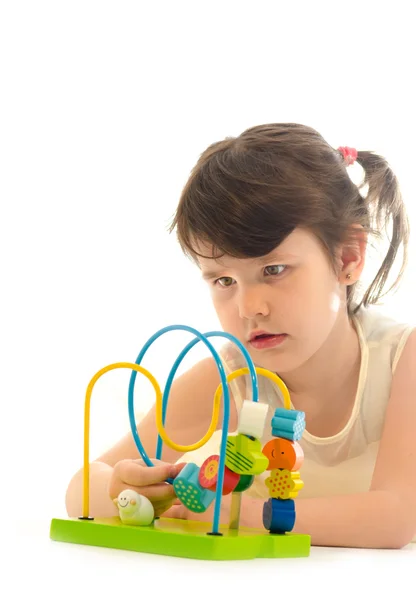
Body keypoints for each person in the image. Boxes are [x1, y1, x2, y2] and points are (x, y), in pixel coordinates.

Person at [65, 123, 416, 549]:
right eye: (223, 281)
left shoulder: (402, 361)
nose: (249, 308)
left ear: (348, 257)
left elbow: (395, 517)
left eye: (273, 270)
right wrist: (128, 491)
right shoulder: (229, 378)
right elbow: (82, 486)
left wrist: (240, 515)